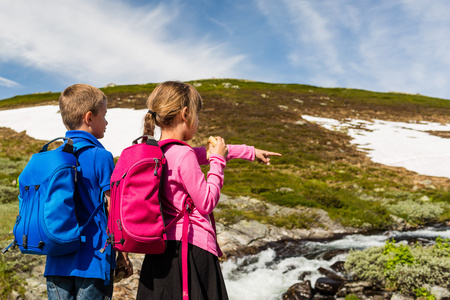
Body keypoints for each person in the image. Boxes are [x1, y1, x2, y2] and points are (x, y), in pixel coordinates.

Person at [136, 81, 281, 300]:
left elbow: (207, 152)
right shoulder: (184, 155)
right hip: (191, 250)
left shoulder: (156, 152)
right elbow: (206, 202)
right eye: (197, 114)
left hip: (160, 249)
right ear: (186, 114)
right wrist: (217, 164)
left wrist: (249, 152)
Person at [44, 84, 133, 300]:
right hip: (93, 260)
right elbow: (114, 209)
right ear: (89, 117)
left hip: (56, 259)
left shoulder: (52, 157)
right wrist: (123, 253)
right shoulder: (101, 156)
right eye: (104, 114)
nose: (107, 121)